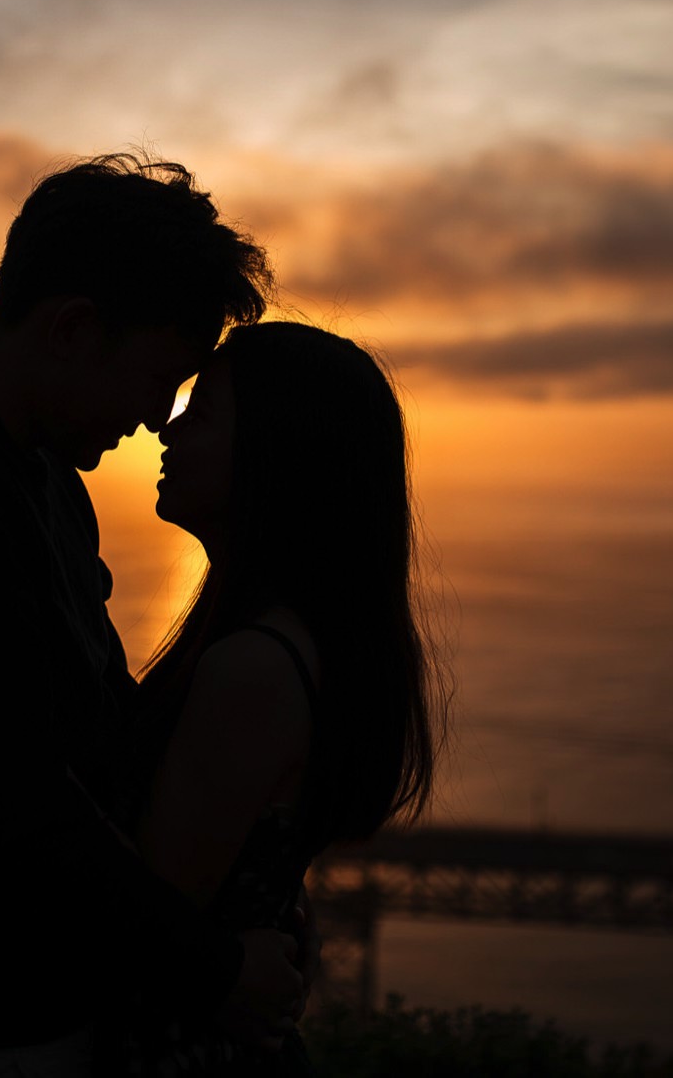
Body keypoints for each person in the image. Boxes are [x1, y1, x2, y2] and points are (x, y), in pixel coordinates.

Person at [0, 155, 304, 1078]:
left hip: (32, 1024)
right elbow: (20, 813)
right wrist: (219, 970)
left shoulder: (37, 471)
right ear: (73, 328)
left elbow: (90, 737)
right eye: (155, 379)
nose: (154, 420)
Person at [104, 320, 444, 1075]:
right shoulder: (289, 646)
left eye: (204, 408)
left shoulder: (252, 670)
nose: (168, 425)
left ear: (274, 453)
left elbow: (143, 922)